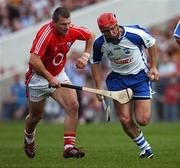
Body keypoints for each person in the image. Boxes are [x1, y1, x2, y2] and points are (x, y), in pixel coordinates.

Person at [24, 6, 95, 159]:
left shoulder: (72, 30)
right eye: (63, 24)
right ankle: (29, 137)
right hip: (38, 78)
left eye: (69, 23)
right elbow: (34, 60)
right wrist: (49, 78)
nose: (67, 27)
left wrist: (85, 57)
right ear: (54, 23)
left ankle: (69, 147)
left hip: (59, 74)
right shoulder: (46, 34)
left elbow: (91, 35)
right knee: (36, 117)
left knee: (73, 105)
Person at [90, 13, 159, 158]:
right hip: (118, 80)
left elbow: (151, 43)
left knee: (143, 120)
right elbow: (94, 63)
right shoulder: (99, 43)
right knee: (125, 119)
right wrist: (98, 86)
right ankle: (145, 148)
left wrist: (153, 67)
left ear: (117, 24)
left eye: (112, 29)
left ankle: (144, 145)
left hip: (140, 77)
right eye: (106, 31)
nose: (111, 33)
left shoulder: (135, 34)